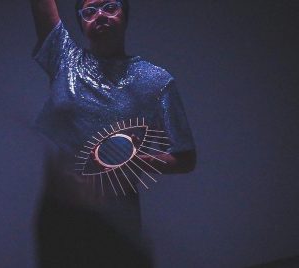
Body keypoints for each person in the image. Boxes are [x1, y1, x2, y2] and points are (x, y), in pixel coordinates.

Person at [29, 0, 196, 267]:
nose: (100, 15)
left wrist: (135, 161)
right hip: (61, 207)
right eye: (89, 11)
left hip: (117, 209)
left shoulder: (155, 80)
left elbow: (186, 158)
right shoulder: (65, 59)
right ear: (82, 22)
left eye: (109, 6)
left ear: (125, 14)